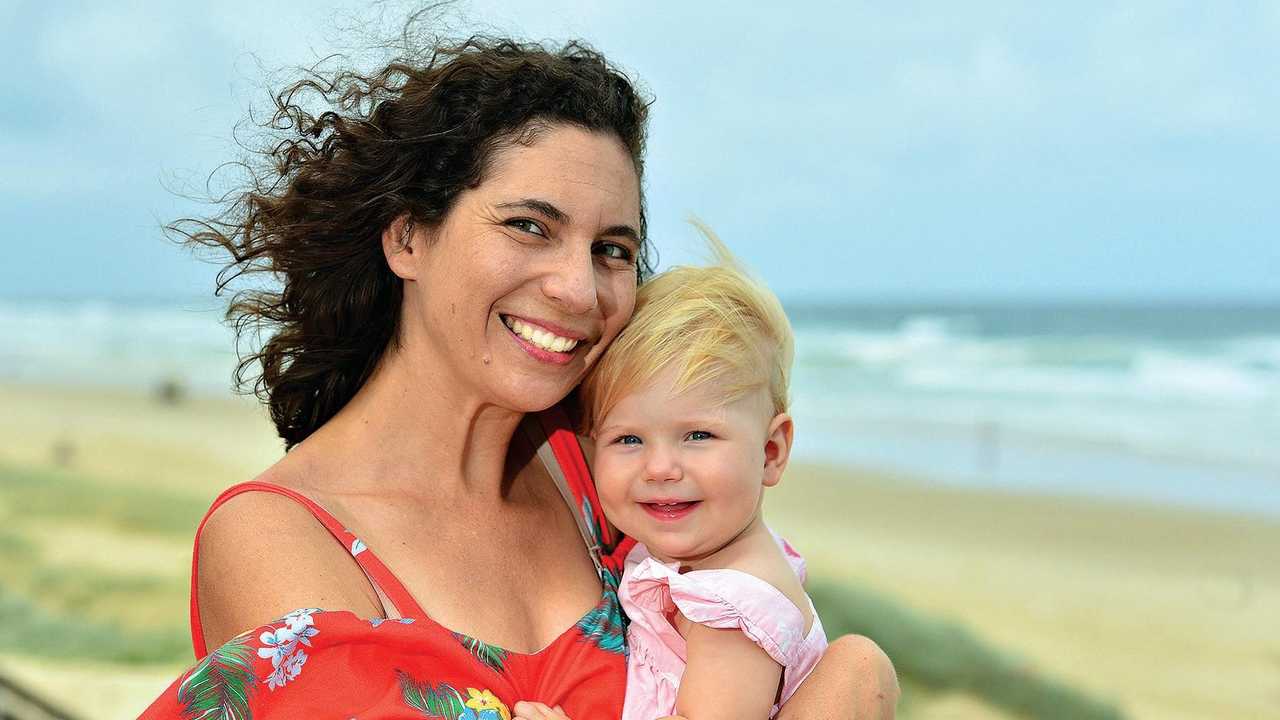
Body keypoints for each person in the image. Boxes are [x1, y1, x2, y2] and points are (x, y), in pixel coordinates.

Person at [139, 32, 897, 720]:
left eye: (613, 249)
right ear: (409, 238)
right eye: (529, 226)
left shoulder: (602, 467)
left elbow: (778, 649)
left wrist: (855, 676)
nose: (579, 289)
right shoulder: (278, 535)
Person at [511, 233, 827, 720]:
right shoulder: (705, 559)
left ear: (770, 451)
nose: (659, 468)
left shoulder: (732, 607)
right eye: (629, 440)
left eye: (698, 436)